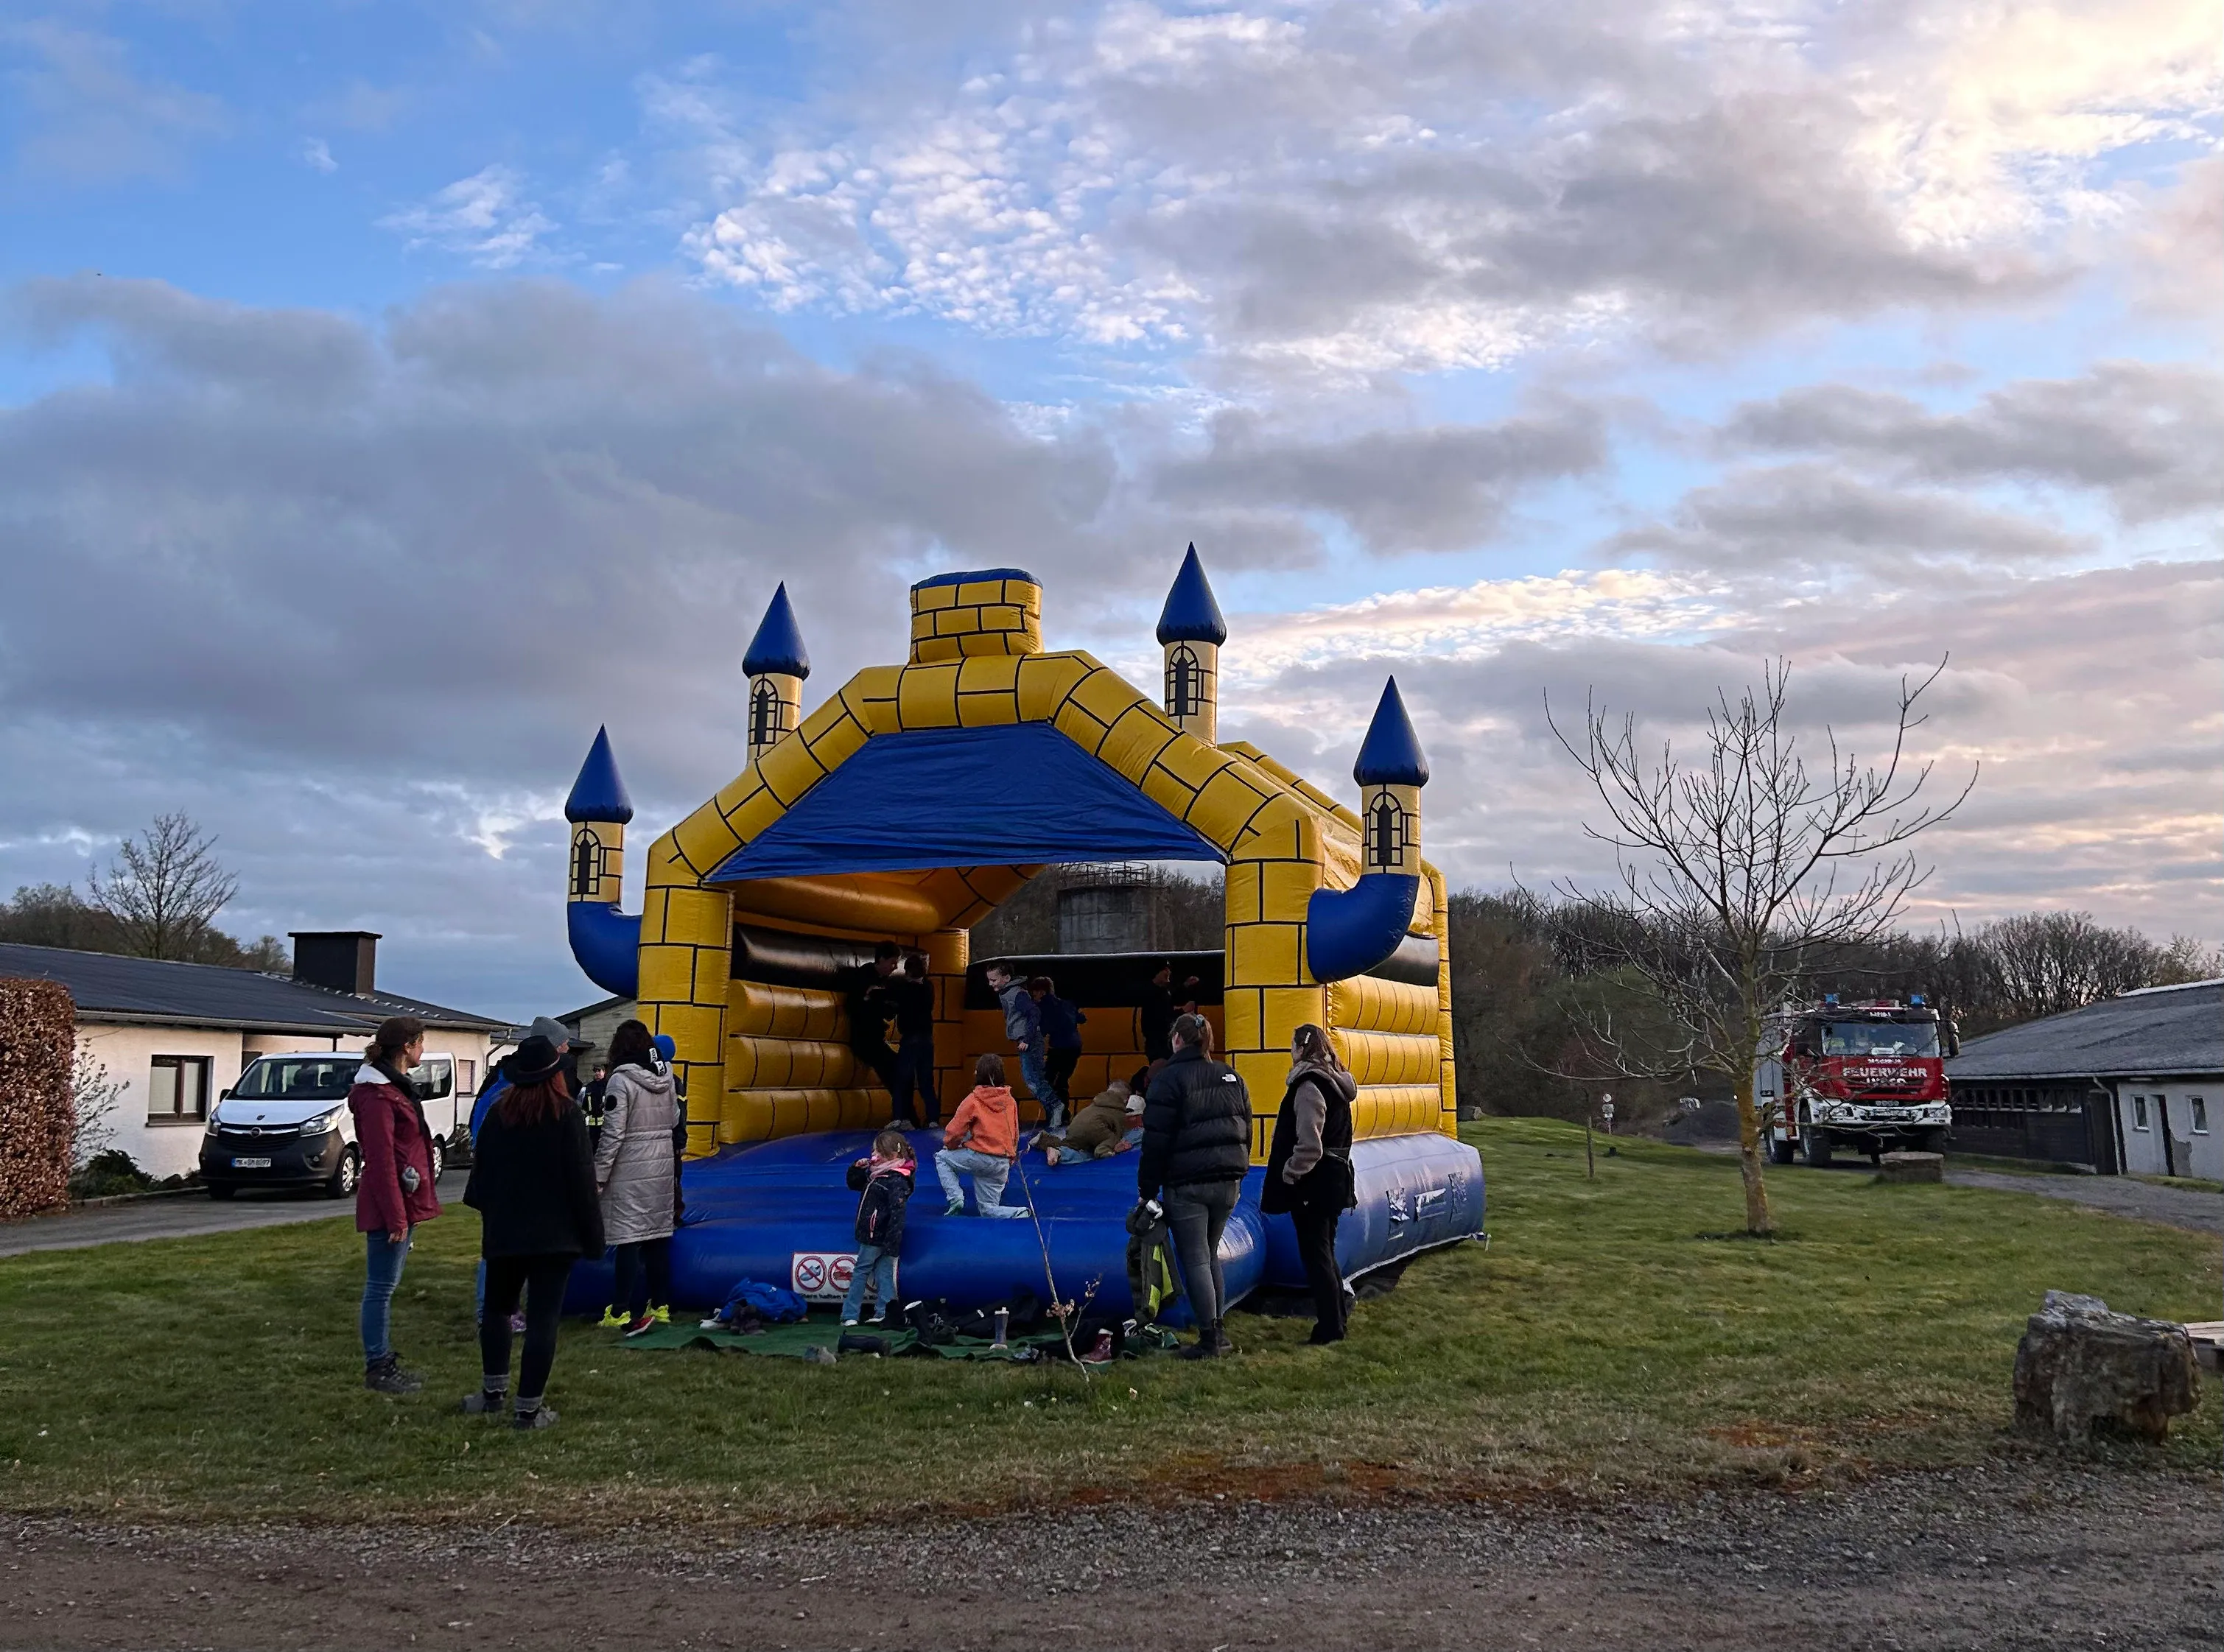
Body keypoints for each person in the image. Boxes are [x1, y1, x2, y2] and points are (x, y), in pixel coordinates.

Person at [460, 1036, 604, 1430]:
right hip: (554, 1238)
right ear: (556, 1076)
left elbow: (480, 1179)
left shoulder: (498, 1116)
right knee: (543, 1320)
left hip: (506, 1232)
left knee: (497, 1310)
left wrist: (491, 1213)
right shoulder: (567, 1116)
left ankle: (492, 1394)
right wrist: (594, 1239)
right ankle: (528, 1409)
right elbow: (581, 1182)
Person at [1137, 1013, 1252, 1360]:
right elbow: (1246, 1127)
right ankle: (1217, 1328)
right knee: (1210, 1252)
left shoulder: (1169, 1080)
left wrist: (1147, 1189)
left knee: (1197, 1259)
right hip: (1228, 1180)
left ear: (1176, 1040)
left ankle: (1209, 1337)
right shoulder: (1232, 1076)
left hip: (1188, 1183)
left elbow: (1156, 1140)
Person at [351, 1015, 443, 1394]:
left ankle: (382, 1361)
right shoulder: (377, 1096)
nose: (423, 1049)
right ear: (407, 1046)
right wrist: (396, 1216)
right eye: (421, 1042)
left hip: (403, 1200)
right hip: (390, 1205)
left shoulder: (394, 1088)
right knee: (381, 1288)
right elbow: (382, 1159)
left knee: (385, 1285)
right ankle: (378, 1365)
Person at [1261, 1024, 1361, 1345]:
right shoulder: (1335, 1082)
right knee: (1325, 1252)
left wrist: (1290, 1172)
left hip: (1314, 1184)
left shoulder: (1309, 1086)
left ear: (1301, 1048)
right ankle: (1337, 1319)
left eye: (1291, 1045)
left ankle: (1329, 1327)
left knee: (1316, 1256)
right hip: (1335, 1178)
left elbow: (1310, 1144)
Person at [594, 1019, 686, 1337]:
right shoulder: (667, 1075)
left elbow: (613, 1134)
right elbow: (674, 1118)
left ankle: (620, 1310)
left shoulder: (620, 1081)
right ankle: (659, 1305)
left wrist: (599, 1174)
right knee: (658, 1237)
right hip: (661, 1165)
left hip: (630, 1167)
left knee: (628, 1240)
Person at [936, 1053, 1025, 1217]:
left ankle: (955, 1197)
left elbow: (955, 1131)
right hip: (1001, 1161)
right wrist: (1011, 1156)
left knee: (942, 1158)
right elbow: (1014, 1132)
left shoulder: (973, 1100)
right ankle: (1019, 1213)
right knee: (988, 1209)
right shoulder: (1010, 1101)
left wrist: (950, 1146)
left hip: (980, 1156)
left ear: (978, 1073)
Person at [841, 1128, 916, 1324]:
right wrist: (856, 1168)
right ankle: (884, 1312)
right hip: (875, 1234)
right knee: (883, 1272)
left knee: (861, 1271)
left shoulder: (896, 1180)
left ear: (892, 1156)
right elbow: (854, 1184)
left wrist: (892, 1244)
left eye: (877, 1153)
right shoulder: (877, 1175)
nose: (873, 1156)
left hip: (876, 1236)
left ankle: (849, 1314)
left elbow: (897, 1213)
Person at [986, 962, 1055, 1131]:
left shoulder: (1017, 994)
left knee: (1032, 1079)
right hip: (1026, 1040)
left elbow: (1034, 1013)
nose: (991, 984)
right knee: (1036, 1077)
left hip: (1029, 1041)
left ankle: (1055, 1107)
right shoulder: (1009, 992)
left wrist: (1026, 1039)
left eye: (994, 980)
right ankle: (1054, 1113)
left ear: (1006, 978)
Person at [1043, 1072, 1147, 1165]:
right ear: (1126, 1099)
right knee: (1106, 1142)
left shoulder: (1097, 1102)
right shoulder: (1118, 1111)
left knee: (1073, 1146)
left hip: (1074, 1126)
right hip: (1095, 1130)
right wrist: (1116, 1143)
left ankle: (1057, 1151)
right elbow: (1118, 1130)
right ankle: (1102, 1150)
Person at [845, 941, 902, 1099]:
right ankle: (906, 1117)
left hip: (876, 1039)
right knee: (893, 1069)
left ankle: (904, 1116)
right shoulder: (864, 977)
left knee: (898, 1068)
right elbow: (853, 1006)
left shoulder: (885, 982)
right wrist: (871, 1000)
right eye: (893, 963)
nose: (895, 967)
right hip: (865, 1039)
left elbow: (889, 1012)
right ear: (882, 959)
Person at [888, 952, 939, 1127]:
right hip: (927, 1039)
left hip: (910, 1038)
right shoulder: (929, 987)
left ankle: (899, 1117)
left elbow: (890, 999)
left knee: (903, 1079)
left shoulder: (903, 989)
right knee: (926, 1081)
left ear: (907, 972)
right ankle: (932, 1119)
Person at [1031, 975, 1087, 1124]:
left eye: (1035, 993)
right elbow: (1081, 1018)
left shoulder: (1044, 1006)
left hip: (1060, 1048)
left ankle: (1057, 1114)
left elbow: (1044, 1028)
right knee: (1061, 1080)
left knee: (1049, 1081)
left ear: (1042, 992)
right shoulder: (1066, 1004)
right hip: (1074, 1047)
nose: (1033, 996)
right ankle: (1063, 1116)